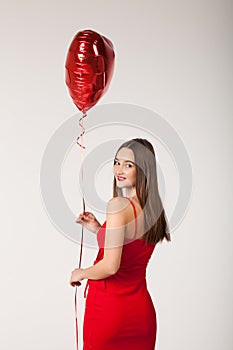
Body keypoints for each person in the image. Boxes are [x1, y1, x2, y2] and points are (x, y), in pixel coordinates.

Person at [70, 138, 171, 350]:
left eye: (128, 165)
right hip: (140, 313)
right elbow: (131, 248)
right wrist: (100, 230)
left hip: (109, 311)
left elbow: (110, 266)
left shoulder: (118, 206)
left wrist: (81, 272)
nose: (119, 170)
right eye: (116, 162)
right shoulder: (153, 210)